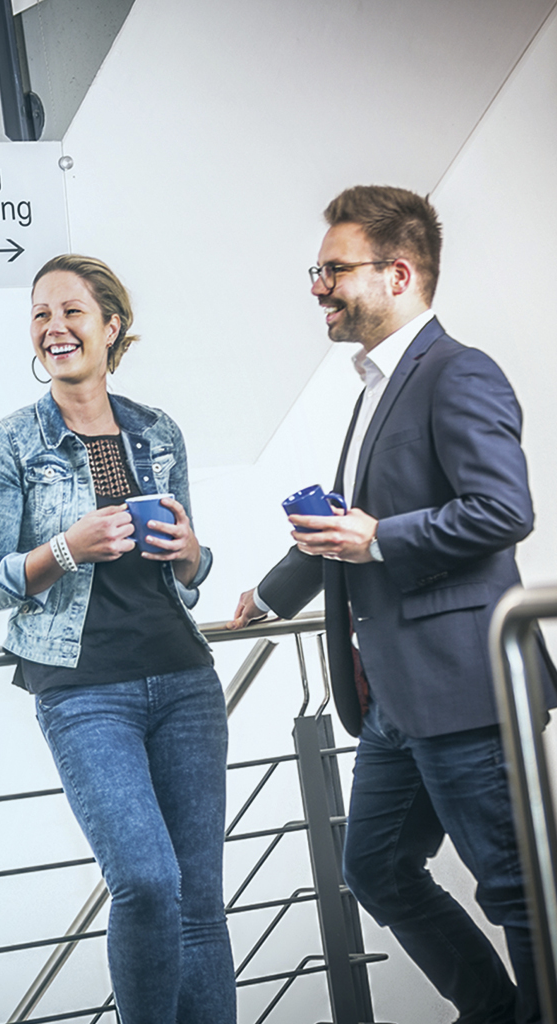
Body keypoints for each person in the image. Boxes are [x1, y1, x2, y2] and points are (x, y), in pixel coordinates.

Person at [230, 185, 555, 1024]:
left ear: (398, 272)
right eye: (319, 269)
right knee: (373, 869)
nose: (317, 286)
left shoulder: (459, 371)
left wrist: (378, 537)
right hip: (392, 701)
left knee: (517, 891)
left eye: (332, 269)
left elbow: (503, 511)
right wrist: (268, 597)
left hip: (464, 685)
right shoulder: (377, 383)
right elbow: (353, 522)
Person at [0, 254, 235, 1023]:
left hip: (184, 680)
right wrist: (67, 548)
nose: (55, 327)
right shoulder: (16, 442)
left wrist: (190, 555)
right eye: (42, 314)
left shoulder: (157, 431)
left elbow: (190, 572)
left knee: (201, 901)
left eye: (72, 312)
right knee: (147, 882)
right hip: (82, 691)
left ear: (111, 328)